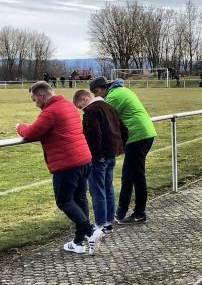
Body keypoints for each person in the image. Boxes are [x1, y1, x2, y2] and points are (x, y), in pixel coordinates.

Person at [16, 81, 103, 255]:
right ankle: (78, 243)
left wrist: (20, 127)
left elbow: (32, 132)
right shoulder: (68, 106)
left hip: (67, 164)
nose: (35, 104)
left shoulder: (50, 111)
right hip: (84, 159)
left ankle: (91, 231)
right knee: (80, 200)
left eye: (35, 99)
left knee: (64, 201)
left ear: (41, 96)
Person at [90, 76, 157, 224]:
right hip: (141, 135)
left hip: (138, 136)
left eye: (96, 92)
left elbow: (100, 116)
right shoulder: (121, 91)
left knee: (137, 176)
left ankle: (139, 213)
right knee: (128, 175)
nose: (96, 96)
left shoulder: (113, 96)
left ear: (103, 88)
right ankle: (120, 213)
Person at [73, 89, 127, 234]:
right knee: (108, 188)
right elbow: (124, 129)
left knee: (97, 191)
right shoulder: (110, 107)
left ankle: (100, 224)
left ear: (84, 99)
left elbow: (94, 135)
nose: (81, 109)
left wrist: (97, 155)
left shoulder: (91, 111)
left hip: (99, 157)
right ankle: (109, 223)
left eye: (79, 106)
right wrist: (119, 148)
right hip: (111, 154)